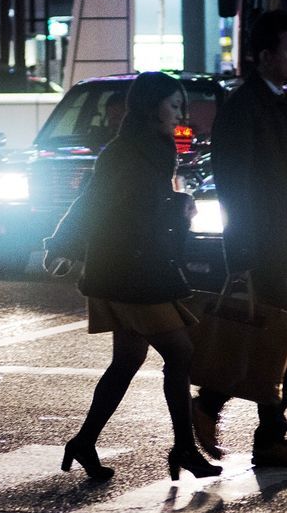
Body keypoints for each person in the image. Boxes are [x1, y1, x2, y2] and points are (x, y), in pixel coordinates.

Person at [44, 72, 221, 482]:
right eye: (173, 106)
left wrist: (177, 202)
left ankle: (85, 441)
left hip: (130, 265)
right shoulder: (127, 151)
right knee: (179, 354)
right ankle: (184, 450)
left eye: (181, 107)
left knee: (127, 359)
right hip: (130, 268)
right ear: (150, 106)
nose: (179, 115)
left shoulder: (151, 147)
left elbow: (142, 202)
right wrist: (62, 244)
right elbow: (96, 200)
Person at [192, 10, 287, 469]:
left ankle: (212, 407)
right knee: (276, 342)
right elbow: (236, 187)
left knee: (285, 343)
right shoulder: (245, 109)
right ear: (265, 56)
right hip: (266, 250)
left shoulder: (276, 102)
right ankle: (266, 436)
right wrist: (244, 256)